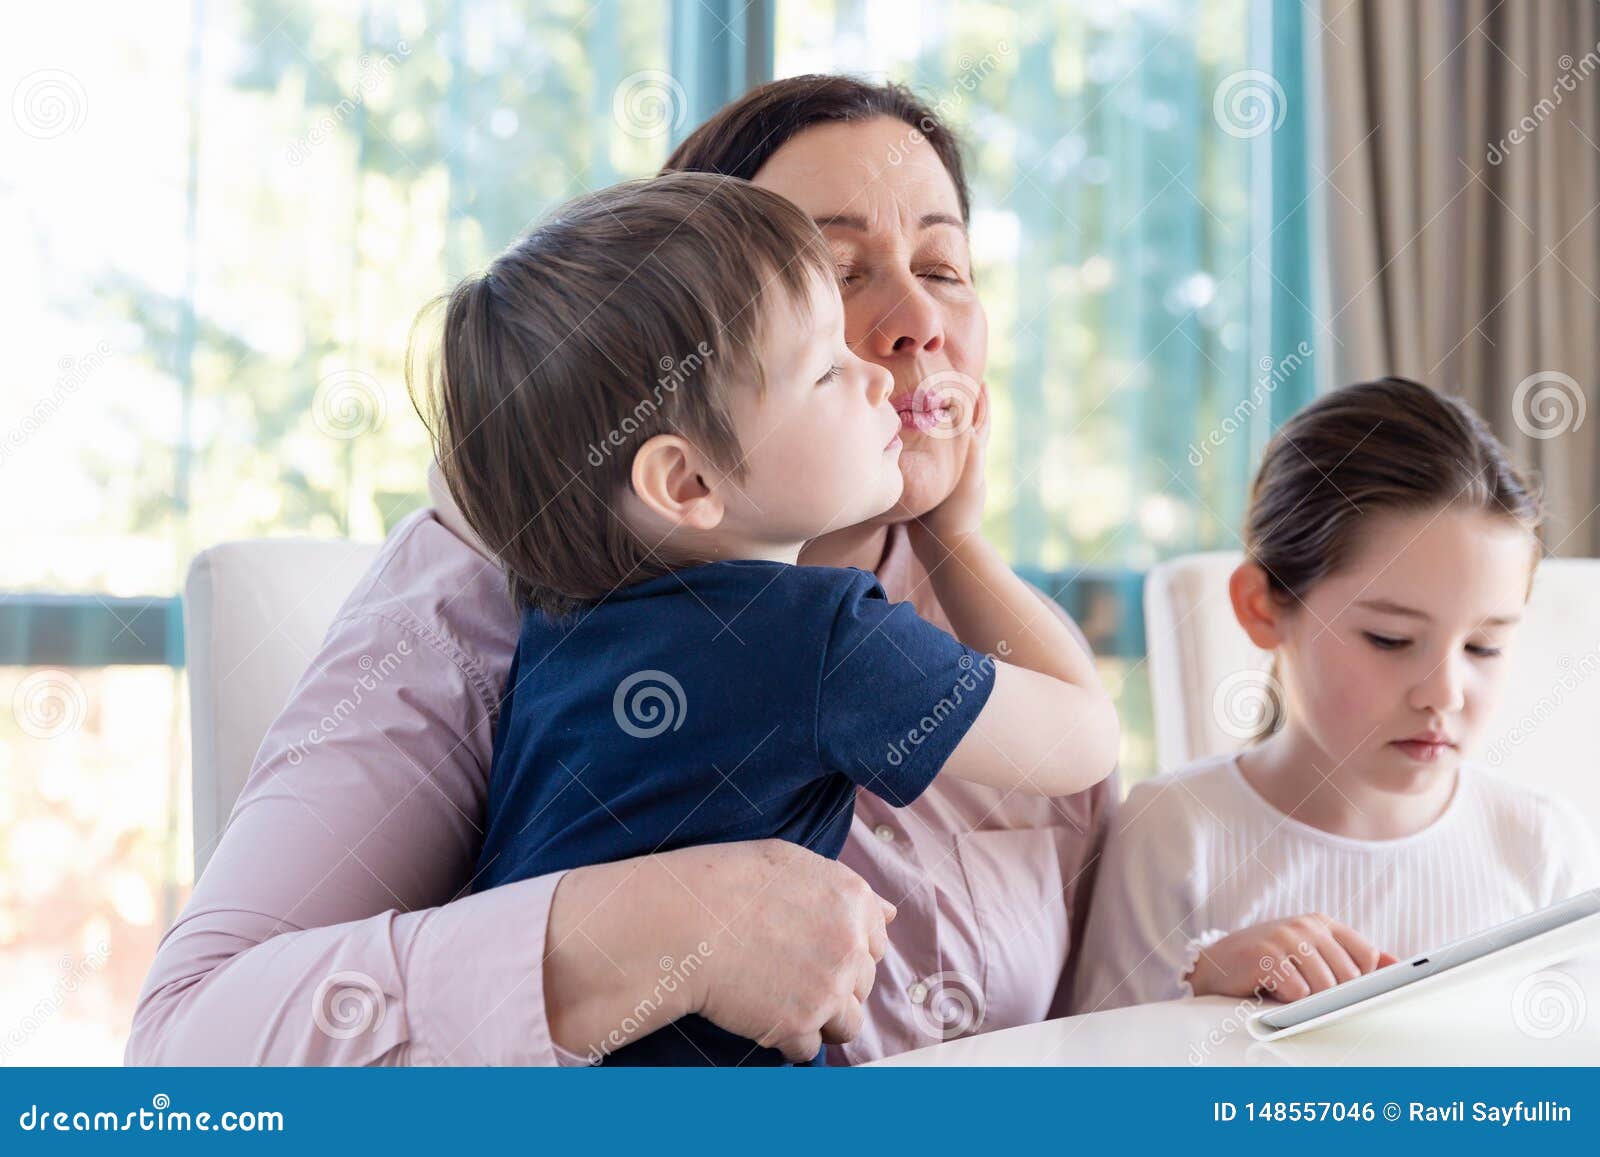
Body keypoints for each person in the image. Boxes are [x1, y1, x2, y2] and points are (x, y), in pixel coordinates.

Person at [126, 76, 1122, 1067]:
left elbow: (1101, 1013)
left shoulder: (985, 613)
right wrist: (643, 930)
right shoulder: (484, 596)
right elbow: (185, 1055)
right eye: (834, 276)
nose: (916, 321)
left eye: (945, 266)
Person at [417, 172, 1119, 1065]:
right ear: (687, 482)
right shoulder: (819, 637)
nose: (878, 375)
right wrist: (959, 537)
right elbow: (1085, 739)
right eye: (827, 367)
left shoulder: (558, 629)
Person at [1073, 377, 1600, 1013]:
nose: (1444, 694)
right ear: (1263, 607)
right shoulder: (1175, 829)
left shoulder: (1543, 846)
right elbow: (1097, 1094)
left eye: (1483, 647)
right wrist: (1198, 985)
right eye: (1390, 638)